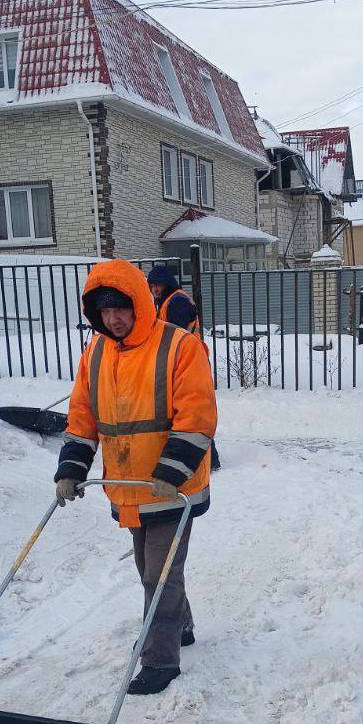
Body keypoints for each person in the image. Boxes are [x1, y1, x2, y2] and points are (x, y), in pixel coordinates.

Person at [54, 259, 217, 696]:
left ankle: (160, 658)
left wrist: (172, 471)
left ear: (141, 304)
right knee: (151, 567)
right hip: (128, 487)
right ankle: (178, 625)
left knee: (159, 574)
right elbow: (83, 417)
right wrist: (71, 467)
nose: (114, 319)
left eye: (121, 308)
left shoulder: (179, 346)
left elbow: (196, 416)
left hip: (172, 486)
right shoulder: (96, 353)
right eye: (104, 312)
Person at [147, 265, 221, 471]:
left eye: (158, 284)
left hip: (188, 361)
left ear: (167, 284)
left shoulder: (177, 301)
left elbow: (175, 335)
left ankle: (210, 459)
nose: (155, 289)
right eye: (152, 285)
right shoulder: (167, 301)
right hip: (182, 359)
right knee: (185, 410)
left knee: (193, 410)